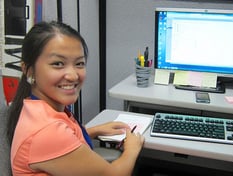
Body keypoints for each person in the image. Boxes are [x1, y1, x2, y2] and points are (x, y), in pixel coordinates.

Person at [7, 21, 144, 176]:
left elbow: (61, 136)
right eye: (58, 64)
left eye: (79, 63)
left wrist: (93, 131)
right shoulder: (47, 132)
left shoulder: (38, 107)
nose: (73, 76)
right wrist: (132, 149)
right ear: (28, 70)